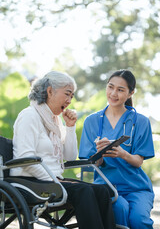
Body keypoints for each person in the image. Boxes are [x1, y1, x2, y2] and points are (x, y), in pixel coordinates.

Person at [10, 71, 116, 229]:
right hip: (29, 182)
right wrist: (53, 179)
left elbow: (69, 155)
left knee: (102, 191)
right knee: (84, 191)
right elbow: (26, 159)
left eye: (72, 96)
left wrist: (70, 127)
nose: (69, 100)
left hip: (51, 181)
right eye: (67, 94)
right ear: (50, 91)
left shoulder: (55, 121)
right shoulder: (29, 116)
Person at [79, 69, 155, 229]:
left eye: (120, 90)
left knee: (139, 220)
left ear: (130, 93)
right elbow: (89, 163)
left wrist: (122, 154)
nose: (113, 93)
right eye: (110, 87)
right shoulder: (91, 122)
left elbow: (138, 162)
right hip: (107, 185)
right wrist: (99, 157)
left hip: (137, 187)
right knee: (120, 210)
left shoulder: (140, 122)